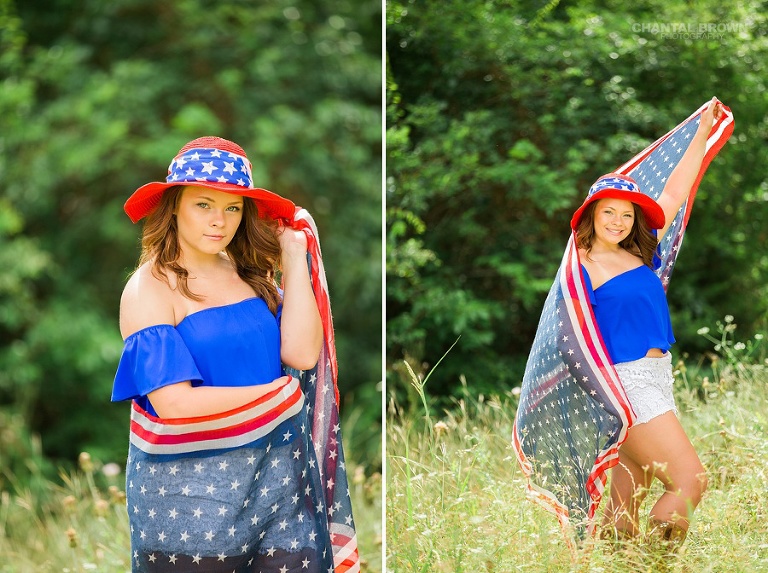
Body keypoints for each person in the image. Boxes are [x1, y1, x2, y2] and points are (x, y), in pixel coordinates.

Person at [111, 136, 359, 572]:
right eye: (203, 205)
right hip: (191, 502)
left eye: (233, 208)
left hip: (278, 485)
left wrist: (293, 255)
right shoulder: (149, 288)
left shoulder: (248, 272)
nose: (219, 221)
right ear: (174, 207)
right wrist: (276, 397)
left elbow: (301, 353)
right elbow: (174, 404)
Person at [570, 98, 724, 546]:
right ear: (591, 216)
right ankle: (658, 564)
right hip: (625, 383)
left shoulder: (640, 253)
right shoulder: (580, 265)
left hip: (656, 376)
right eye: (608, 212)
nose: (618, 221)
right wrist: (600, 393)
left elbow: (675, 191)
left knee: (625, 502)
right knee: (690, 482)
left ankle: (622, 562)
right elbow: (568, 337)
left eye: (626, 213)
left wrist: (701, 131)